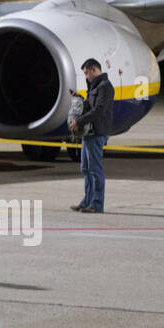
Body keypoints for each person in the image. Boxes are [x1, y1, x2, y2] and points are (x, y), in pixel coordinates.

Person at [69, 58, 113, 214]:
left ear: (94, 70)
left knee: (95, 170)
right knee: (86, 168)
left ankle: (96, 204)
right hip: (89, 133)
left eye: (87, 73)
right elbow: (90, 106)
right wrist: (80, 98)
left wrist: (79, 122)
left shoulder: (105, 87)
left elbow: (98, 110)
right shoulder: (94, 87)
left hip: (97, 132)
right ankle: (87, 201)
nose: (86, 77)